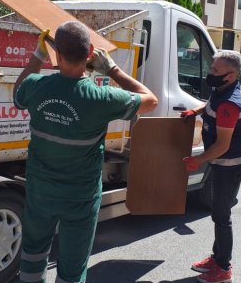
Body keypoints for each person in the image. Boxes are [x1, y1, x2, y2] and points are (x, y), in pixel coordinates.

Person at [13, 21, 158, 283]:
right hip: (79, 199)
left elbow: (18, 92)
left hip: (40, 193)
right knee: (72, 266)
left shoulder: (36, 86)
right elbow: (150, 99)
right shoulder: (101, 98)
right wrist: (112, 68)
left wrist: (38, 55)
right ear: (90, 52)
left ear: (57, 54)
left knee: (33, 254)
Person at [181, 50, 241, 283]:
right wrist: (197, 110)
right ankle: (217, 257)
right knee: (218, 212)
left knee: (222, 215)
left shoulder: (231, 104)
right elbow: (211, 103)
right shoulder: (222, 89)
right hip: (222, 159)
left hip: (230, 162)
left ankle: (223, 268)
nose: (210, 73)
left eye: (215, 70)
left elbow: (222, 145)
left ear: (230, 76)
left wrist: (197, 160)